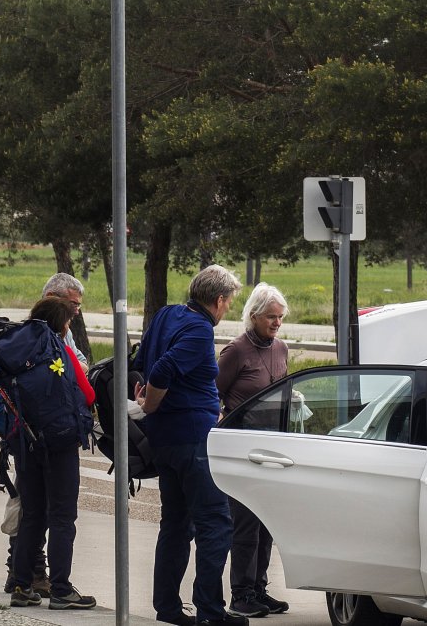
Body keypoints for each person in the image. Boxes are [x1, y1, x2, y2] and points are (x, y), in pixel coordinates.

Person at [133, 265, 245, 626]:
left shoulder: (167, 314)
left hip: (163, 438)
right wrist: (150, 401)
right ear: (218, 300)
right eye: (228, 303)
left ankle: (167, 607)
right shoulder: (198, 329)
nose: (227, 310)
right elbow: (163, 370)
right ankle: (211, 610)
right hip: (193, 437)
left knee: (176, 524)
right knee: (215, 523)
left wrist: (146, 398)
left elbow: (141, 362)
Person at [3, 271, 90, 597]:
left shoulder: (18, 342)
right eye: (71, 310)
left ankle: (22, 586)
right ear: (59, 313)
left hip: (25, 441)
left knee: (33, 514)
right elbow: (87, 393)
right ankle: (61, 590)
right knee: (63, 516)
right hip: (60, 441)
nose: (73, 316)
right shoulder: (58, 349)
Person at [216, 283, 291, 617]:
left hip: (273, 450)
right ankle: (241, 592)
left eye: (280, 317)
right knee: (245, 524)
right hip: (243, 449)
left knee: (266, 525)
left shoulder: (281, 348)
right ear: (254, 315)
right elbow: (212, 393)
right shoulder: (236, 350)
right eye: (270, 317)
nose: (276, 323)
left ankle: (259, 588)